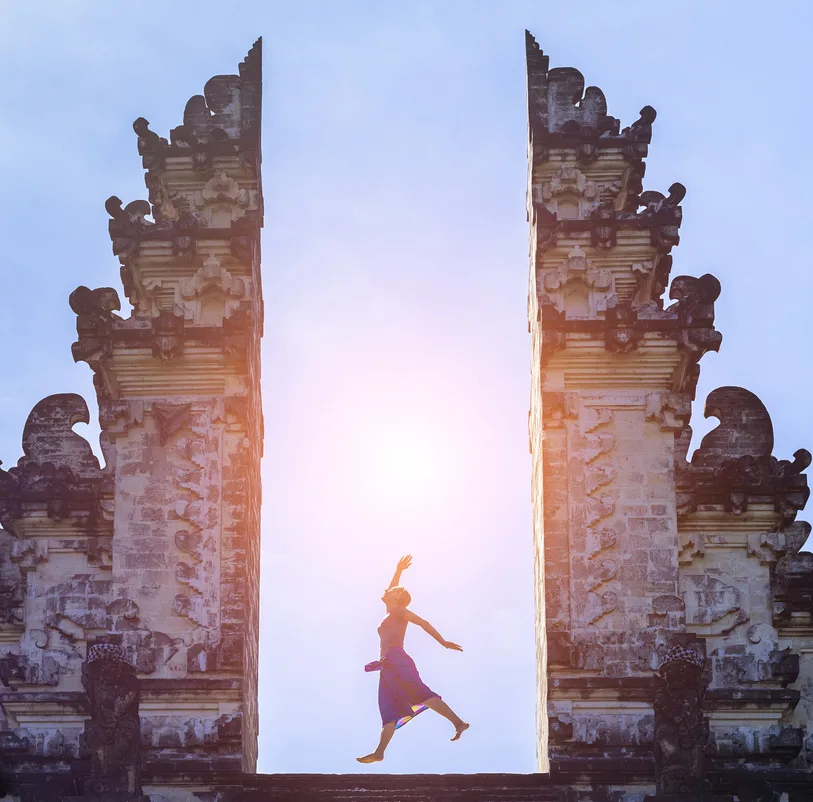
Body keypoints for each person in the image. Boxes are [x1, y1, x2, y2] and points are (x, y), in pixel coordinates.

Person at [356, 555, 469, 764]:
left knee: (419, 692)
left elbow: (423, 623)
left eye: (390, 592)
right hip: (387, 665)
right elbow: (392, 589)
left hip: (397, 659)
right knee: (388, 708)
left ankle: (458, 722)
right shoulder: (390, 611)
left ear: (397, 598)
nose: (385, 591)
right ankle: (380, 752)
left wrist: (443, 642)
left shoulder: (399, 611)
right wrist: (398, 570)